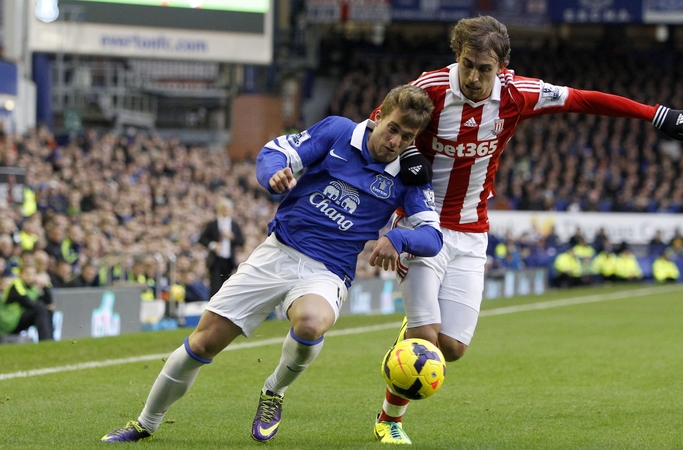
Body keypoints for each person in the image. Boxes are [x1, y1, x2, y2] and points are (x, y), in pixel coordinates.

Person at [372, 15, 683, 445]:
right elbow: (377, 127)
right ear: (457, 56)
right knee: (425, 341)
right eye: (467, 64)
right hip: (423, 223)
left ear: (503, 66)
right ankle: (389, 419)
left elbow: (582, 99)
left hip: (473, 231)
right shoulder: (431, 88)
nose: (473, 77)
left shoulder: (518, 94)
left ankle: (411, 334)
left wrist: (655, 114)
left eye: (484, 68)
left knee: (451, 348)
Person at [100, 84, 442, 444]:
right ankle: (144, 424)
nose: (396, 141)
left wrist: (397, 238)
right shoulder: (338, 131)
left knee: (311, 324)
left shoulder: (412, 173)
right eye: (393, 129)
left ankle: (273, 391)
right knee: (203, 343)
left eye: (407, 137)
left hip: (327, 270)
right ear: (378, 117)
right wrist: (273, 173)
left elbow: (432, 237)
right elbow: (275, 151)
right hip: (276, 253)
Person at [198, 198, 245, 298]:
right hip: (216, 261)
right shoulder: (212, 224)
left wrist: (232, 237)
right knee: (215, 288)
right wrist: (213, 245)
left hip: (229, 261)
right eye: (224, 208)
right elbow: (202, 239)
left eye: (228, 208)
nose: (226, 211)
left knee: (228, 288)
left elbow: (241, 241)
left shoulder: (234, 225)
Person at [0, 264, 54, 342]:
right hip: (8, 322)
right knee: (40, 308)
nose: (30, 277)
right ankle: (45, 341)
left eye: (32, 274)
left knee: (46, 309)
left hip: (17, 320)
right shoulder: (16, 284)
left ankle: (51, 340)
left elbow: (48, 302)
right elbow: (27, 302)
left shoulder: (32, 288)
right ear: (20, 274)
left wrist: (45, 285)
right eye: (27, 274)